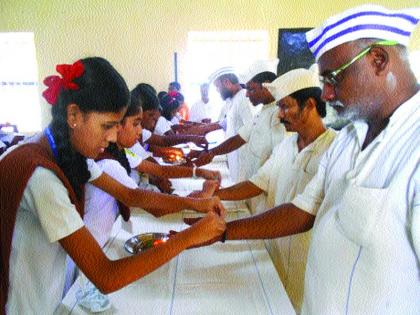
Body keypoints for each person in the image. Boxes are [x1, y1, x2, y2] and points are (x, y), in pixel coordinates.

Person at [182, 5, 420, 315]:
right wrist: (223, 230)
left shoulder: (413, 147)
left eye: (333, 78)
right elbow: (301, 211)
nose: (328, 95)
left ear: (378, 60)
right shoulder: (348, 141)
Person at [0, 57, 226, 314]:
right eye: (107, 126)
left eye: (117, 126)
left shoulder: (69, 153)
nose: (111, 137)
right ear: (74, 115)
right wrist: (188, 237)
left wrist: (197, 203)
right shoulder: (41, 176)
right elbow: (106, 276)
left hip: (50, 295)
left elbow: (131, 195)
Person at [212, 67, 336, 310]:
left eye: (286, 106)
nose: (279, 115)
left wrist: (223, 231)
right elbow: (258, 182)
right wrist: (214, 195)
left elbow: (302, 213)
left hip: (307, 265)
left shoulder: (333, 149)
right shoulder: (287, 146)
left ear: (310, 105)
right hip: (275, 251)